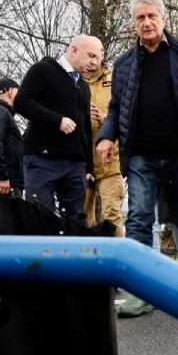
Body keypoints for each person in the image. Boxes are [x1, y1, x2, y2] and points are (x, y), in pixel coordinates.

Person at [96, 0, 178, 318]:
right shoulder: (124, 65)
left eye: (151, 17)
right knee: (138, 219)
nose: (146, 23)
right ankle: (139, 292)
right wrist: (106, 137)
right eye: (140, 18)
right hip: (141, 155)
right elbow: (116, 108)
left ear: (164, 19)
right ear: (134, 24)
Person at [16, 35, 104, 222]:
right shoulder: (43, 70)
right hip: (42, 159)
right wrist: (57, 120)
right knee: (40, 220)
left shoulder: (83, 86)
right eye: (91, 56)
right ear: (74, 50)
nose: (95, 63)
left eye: (98, 58)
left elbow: (86, 128)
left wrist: (88, 166)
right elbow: (21, 102)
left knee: (77, 223)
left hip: (74, 166)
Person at [83, 62, 125, 235]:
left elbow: (127, 116)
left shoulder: (115, 79)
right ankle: (88, 258)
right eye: (88, 56)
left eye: (95, 55)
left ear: (102, 55)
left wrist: (105, 120)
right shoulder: (73, 81)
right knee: (81, 216)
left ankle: (120, 258)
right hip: (82, 161)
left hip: (110, 160)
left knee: (111, 215)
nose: (91, 61)